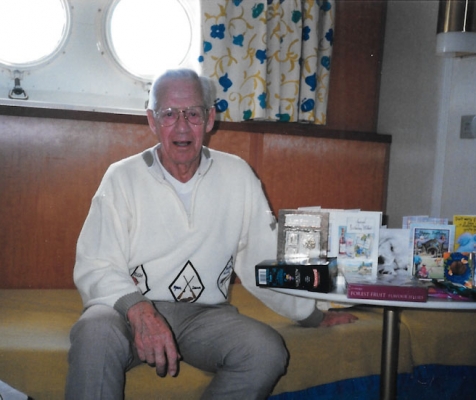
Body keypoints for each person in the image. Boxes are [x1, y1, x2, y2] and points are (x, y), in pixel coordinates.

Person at [65, 68, 357, 400]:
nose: (181, 126)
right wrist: (140, 309)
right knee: (94, 331)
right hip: (128, 313)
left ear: (209, 119)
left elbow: (260, 260)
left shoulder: (237, 175)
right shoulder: (121, 178)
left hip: (203, 316)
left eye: (192, 113)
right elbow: (96, 264)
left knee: (265, 351)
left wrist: (312, 315)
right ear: (152, 120)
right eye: (169, 114)